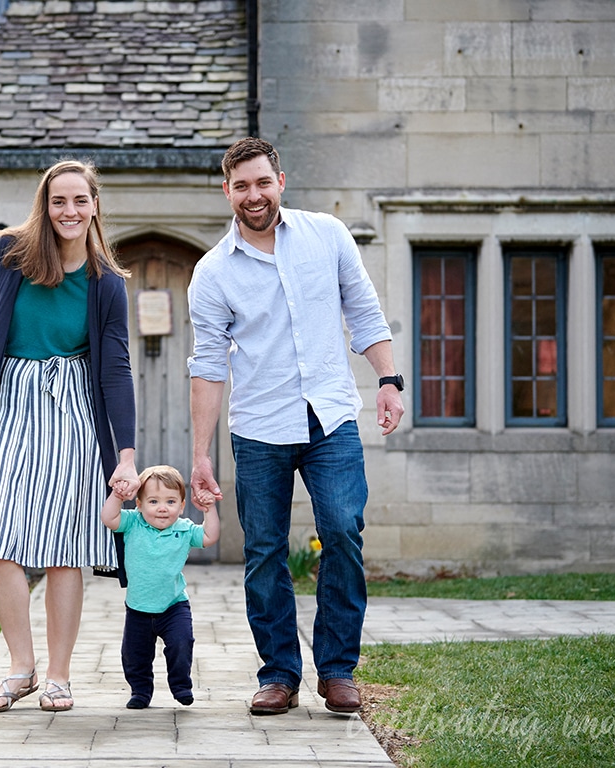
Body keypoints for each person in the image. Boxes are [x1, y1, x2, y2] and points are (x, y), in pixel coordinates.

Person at [186, 137, 403, 716]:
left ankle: (337, 671)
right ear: (225, 190)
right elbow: (207, 367)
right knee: (263, 553)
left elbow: (362, 309)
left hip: (330, 417)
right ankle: (279, 673)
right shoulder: (212, 273)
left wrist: (387, 379)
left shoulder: (327, 235)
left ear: (281, 179)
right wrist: (201, 455)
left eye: (262, 182)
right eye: (241, 185)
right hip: (259, 428)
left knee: (341, 531)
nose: (253, 195)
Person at [0, 159, 140, 713]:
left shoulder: (107, 285)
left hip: (72, 406)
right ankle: (19, 667)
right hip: (7, 400)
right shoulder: (10, 255)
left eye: (80, 201)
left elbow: (116, 369)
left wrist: (125, 455)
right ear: (44, 205)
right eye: (59, 201)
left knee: (63, 545)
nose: (69, 211)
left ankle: (57, 675)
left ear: (95, 205)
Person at [100, 465, 220, 709]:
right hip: (138, 608)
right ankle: (140, 692)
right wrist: (117, 496)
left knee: (181, 644)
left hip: (173, 605)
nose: (162, 508)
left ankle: (181, 685)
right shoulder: (133, 523)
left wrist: (210, 510)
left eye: (170, 501)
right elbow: (109, 518)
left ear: (182, 505)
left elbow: (210, 537)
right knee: (135, 656)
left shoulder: (184, 529)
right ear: (140, 504)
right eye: (153, 501)